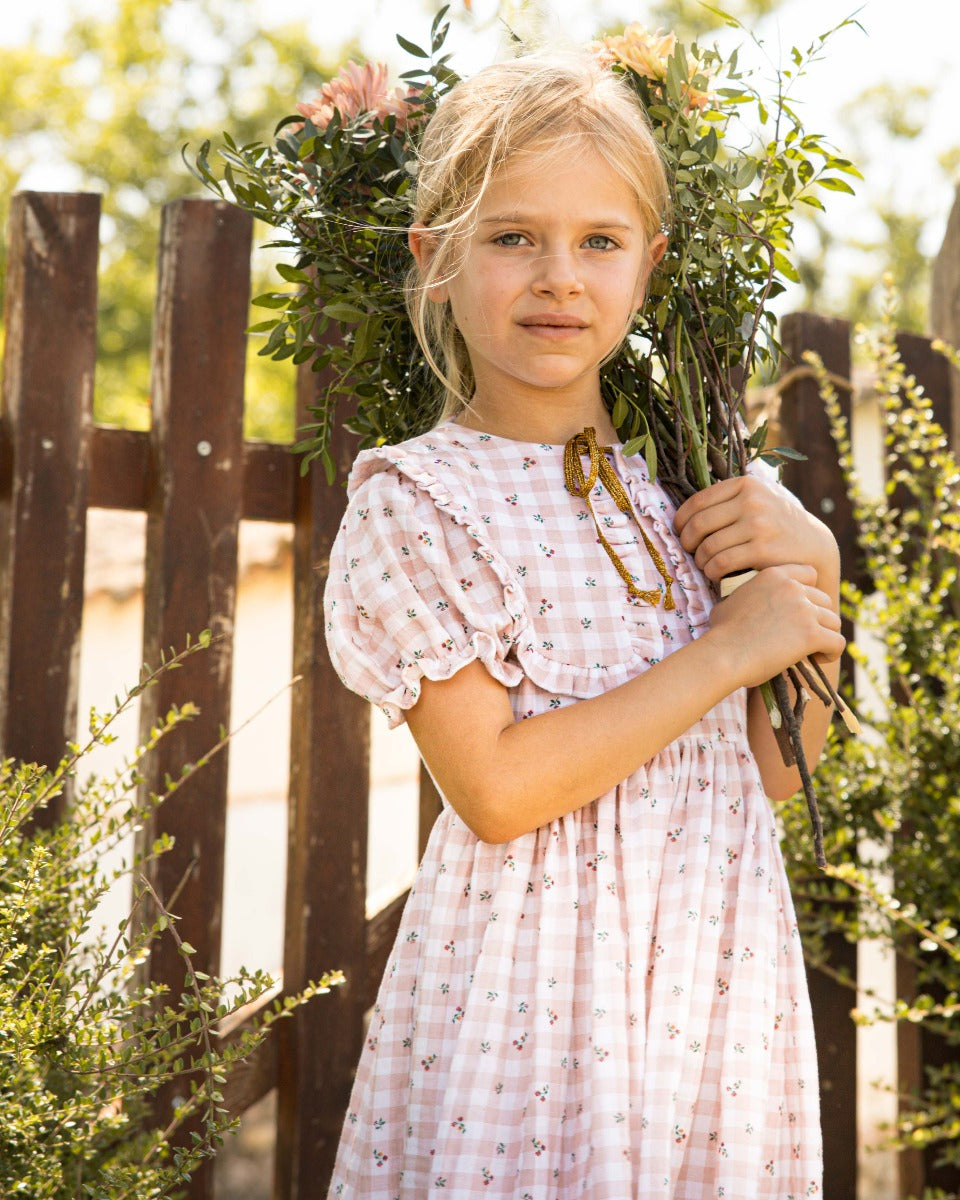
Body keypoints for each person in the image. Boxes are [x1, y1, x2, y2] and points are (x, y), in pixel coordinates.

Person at [323, 51, 843, 1200]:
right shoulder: (420, 502)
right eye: (512, 237)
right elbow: (497, 792)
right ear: (437, 261)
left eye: (599, 241)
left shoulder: (683, 497)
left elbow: (768, 770)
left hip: (712, 967)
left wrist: (816, 584)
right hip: (539, 1000)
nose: (559, 276)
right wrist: (726, 651)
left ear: (648, 269)